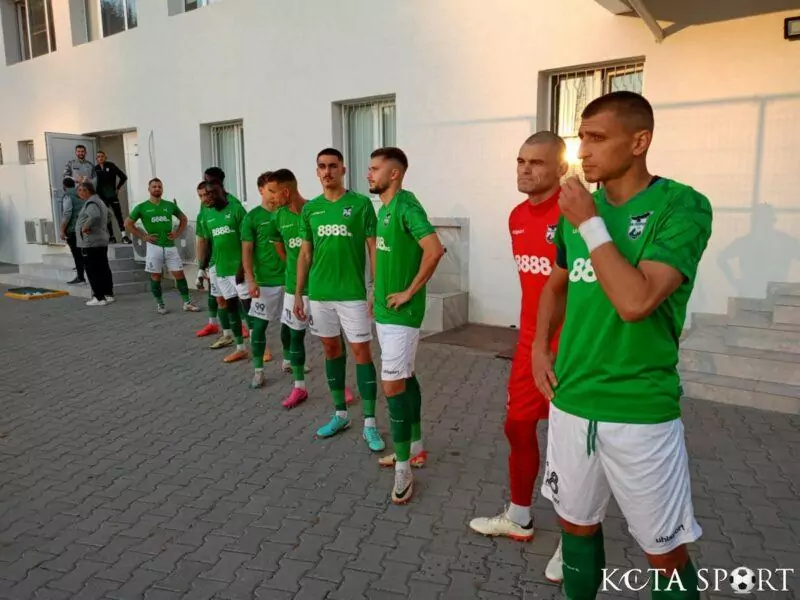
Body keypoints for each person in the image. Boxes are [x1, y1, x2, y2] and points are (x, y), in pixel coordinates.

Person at [533, 91, 712, 600]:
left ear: (639, 141)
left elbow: (637, 301)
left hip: (639, 409)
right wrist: (539, 348)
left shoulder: (680, 205)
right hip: (571, 400)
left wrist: (590, 223)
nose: (583, 151)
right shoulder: (575, 214)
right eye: (580, 138)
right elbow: (556, 285)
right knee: (575, 529)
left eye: (597, 138)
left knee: (665, 553)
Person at [468, 131, 566, 581]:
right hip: (529, 346)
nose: (526, 169)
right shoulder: (516, 216)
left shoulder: (575, 214)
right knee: (517, 426)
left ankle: (574, 540)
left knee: (569, 447)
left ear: (561, 168)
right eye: (521, 161)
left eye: (537, 163)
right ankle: (520, 516)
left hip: (570, 349)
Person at [366, 147, 444, 504]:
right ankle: (415, 448)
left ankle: (403, 470)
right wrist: (375, 292)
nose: (369, 174)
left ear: (394, 174)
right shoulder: (384, 209)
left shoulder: (407, 207)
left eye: (375, 169)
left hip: (402, 315)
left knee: (392, 386)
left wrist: (410, 291)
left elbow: (434, 249)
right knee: (406, 377)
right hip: (385, 312)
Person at [295, 148, 383, 451]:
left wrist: (375, 288)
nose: (327, 171)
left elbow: (373, 248)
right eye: (322, 166)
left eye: (333, 166)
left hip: (352, 294)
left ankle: (370, 423)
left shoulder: (360, 204)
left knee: (362, 353)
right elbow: (305, 254)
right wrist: (299, 293)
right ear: (317, 171)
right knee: (331, 350)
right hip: (320, 295)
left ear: (343, 170)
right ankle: (340, 414)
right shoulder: (311, 209)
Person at [264, 169, 316, 408]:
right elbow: (280, 248)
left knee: (331, 341)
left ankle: (342, 388)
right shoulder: (277, 217)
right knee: (295, 336)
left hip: (320, 288)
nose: (271, 197)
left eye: (273, 192)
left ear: (286, 191)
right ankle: (299, 386)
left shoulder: (315, 211)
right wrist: (295, 271)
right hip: (294, 289)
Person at [124, 178, 201, 315]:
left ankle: (187, 303)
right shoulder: (141, 207)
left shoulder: (169, 205)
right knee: (156, 276)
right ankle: (160, 304)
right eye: (154, 186)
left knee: (179, 274)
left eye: (159, 186)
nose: (157, 189)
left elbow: (183, 219)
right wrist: (143, 236)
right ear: (149, 189)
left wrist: (177, 233)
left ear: (162, 189)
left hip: (170, 246)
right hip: (154, 247)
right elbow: (128, 224)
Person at [196, 180, 250, 363]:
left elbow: (248, 241)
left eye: (211, 193)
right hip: (221, 271)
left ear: (222, 191)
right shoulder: (208, 215)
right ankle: (240, 348)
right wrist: (201, 269)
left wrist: (244, 267)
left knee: (250, 311)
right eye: (204, 195)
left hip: (239, 271)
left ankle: (263, 347)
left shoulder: (236, 210)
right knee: (231, 309)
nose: (207, 198)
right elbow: (209, 244)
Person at [242, 172, 287, 389]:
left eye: (277, 190)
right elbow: (247, 251)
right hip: (265, 282)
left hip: (288, 279)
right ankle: (258, 370)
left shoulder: (286, 213)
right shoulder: (252, 217)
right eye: (270, 190)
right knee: (259, 326)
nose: (274, 195)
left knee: (290, 324)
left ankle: (290, 360)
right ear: (261, 190)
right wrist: (251, 280)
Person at [75, 182, 114, 306]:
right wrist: (101, 227)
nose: (79, 193)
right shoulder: (99, 201)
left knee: (92, 269)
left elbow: (95, 216)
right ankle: (108, 294)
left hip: (91, 242)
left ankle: (99, 297)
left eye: (80, 190)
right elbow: (109, 215)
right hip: (100, 239)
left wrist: (86, 226)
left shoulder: (91, 202)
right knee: (103, 267)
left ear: (87, 191)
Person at [95, 150, 131, 244]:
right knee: (106, 216)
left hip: (112, 195)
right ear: (96, 159)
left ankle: (124, 236)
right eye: (98, 157)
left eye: (102, 156)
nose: (100, 158)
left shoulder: (111, 165)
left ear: (105, 157)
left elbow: (123, 177)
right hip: (102, 197)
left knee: (118, 215)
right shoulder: (95, 169)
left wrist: (117, 188)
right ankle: (111, 237)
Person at [59, 178, 85, 285]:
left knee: (77, 255)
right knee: (84, 254)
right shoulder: (81, 194)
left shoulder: (68, 196)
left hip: (73, 230)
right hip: (84, 228)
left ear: (64, 186)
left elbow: (67, 214)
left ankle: (80, 277)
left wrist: (62, 230)